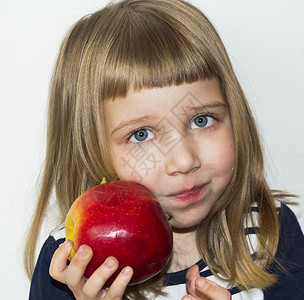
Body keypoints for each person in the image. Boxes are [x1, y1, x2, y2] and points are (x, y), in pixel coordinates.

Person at [24, 0, 304, 299]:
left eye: (202, 120)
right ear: (90, 150)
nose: (184, 160)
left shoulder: (269, 233)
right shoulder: (70, 264)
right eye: (141, 134)